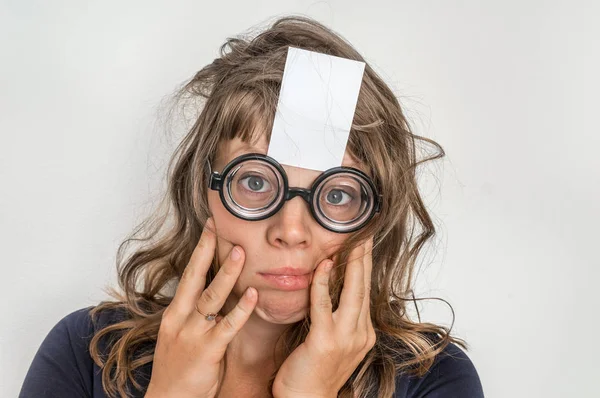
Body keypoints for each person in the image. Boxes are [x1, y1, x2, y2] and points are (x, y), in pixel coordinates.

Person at [19, 15, 484, 398]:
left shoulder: (432, 380)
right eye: (257, 182)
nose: (291, 230)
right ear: (206, 193)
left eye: (337, 195)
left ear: (374, 215)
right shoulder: (85, 353)